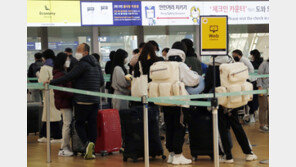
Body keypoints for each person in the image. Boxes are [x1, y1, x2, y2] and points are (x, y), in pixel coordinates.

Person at [47, 43, 104, 159]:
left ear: (85, 53)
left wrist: (52, 82)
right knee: (92, 124)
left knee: (79, 124)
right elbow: (102, 82)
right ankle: (91, 150)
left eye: (79, 50)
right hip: (95, 100)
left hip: (82, 101)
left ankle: (87, 144)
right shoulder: (97, 64)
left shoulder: (82, 64)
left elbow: (69, 77)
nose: (76, 52)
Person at [204, 56, 257, 163]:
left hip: (220, 101)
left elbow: (208, 84)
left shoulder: (212, 67)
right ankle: (249, 153)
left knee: (222, 129)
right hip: (233, 99)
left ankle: (228, 156)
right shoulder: (231, 64)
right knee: (237, 127)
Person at [163, 41, 200, 165]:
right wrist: (194, 74)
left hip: (166, 100)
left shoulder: (165, 64)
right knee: (179, 127)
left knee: (169, 127)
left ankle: (171, 154)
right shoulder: (181, 65)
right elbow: (193, 81)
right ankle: (178, 155)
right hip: (179, 102)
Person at [38, 49, 62, 143]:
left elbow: (42, 82)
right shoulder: (56, 65)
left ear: (44, 58)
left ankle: (57, 136)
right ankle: (44, 135)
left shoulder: (44, 67)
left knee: (51, 115)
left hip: (49, 93)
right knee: (51, 114)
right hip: (56, 92)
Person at [52, 52, 74, 156]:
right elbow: (60, 90)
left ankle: (66, 147)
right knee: (67, 124)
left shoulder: (62, 72)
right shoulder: (59, 74)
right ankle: (63, 148)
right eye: (67, 59)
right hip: (64, 103)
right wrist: (72, 93)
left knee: (67, 124)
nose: (68, 61)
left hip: (65, 102)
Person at [232, 49, 257, 123]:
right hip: (245, 81)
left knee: (250, 99)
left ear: (238, 55)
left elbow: (251, 69)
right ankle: (247, 113)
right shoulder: (238, 61)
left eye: (234, 55)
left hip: (250, 81)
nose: (233, 57)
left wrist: (246, 76)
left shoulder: (244, 60)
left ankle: (251, 114)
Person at [257, 59, 269, 132]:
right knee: (263, 107)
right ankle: (262, 125)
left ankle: (268, 124)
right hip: (263, 88)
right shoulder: (264, 64)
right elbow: (259, 76)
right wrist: (259, 87)